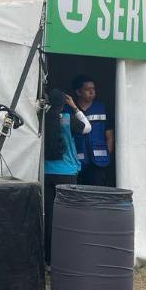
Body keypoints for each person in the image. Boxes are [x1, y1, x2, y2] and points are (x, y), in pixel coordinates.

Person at [43, 88, 90, 266]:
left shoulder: (42, 118)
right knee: (69, 218)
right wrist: (75, 107)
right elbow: (87, 127)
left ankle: (48, 259)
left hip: (46, 172)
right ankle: (67, 259)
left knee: (49, 217)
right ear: (63, 103)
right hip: (67, 173)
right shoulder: (68, 118)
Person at [71, 75, 114, 187]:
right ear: (78, 92)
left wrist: (107, 153)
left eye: (93, 89)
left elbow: (109, 135)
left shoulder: (102, 108)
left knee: (97, 190)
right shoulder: (70, 109)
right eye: (87, 89)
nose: (92, 92)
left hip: (99, 162)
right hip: (77, 160)